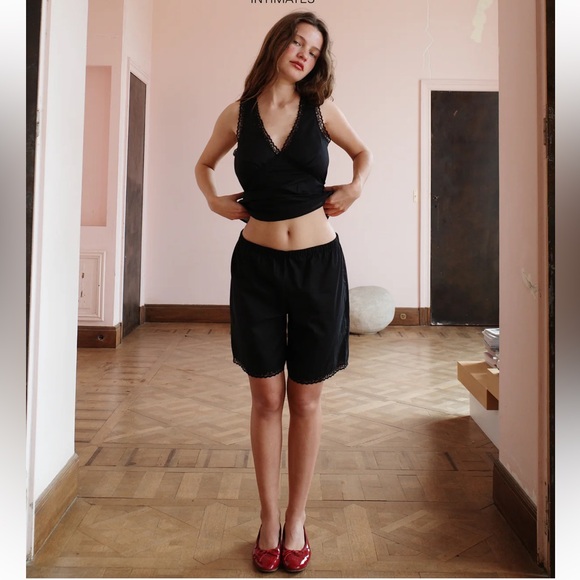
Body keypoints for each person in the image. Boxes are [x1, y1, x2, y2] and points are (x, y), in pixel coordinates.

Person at [195, 11, 372, 573]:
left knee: (306, 400)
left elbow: (363, 154)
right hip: (257, 271)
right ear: (277, 44)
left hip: (318, 268)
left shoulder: (321, 110)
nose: (303, 54)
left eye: (313, 50)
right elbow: (204, 165)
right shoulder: (237, 114)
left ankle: (297, 519)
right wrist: (214, 199)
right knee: (267, 399)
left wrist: (355, 188)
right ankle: (269, 519)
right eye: (297, 42)